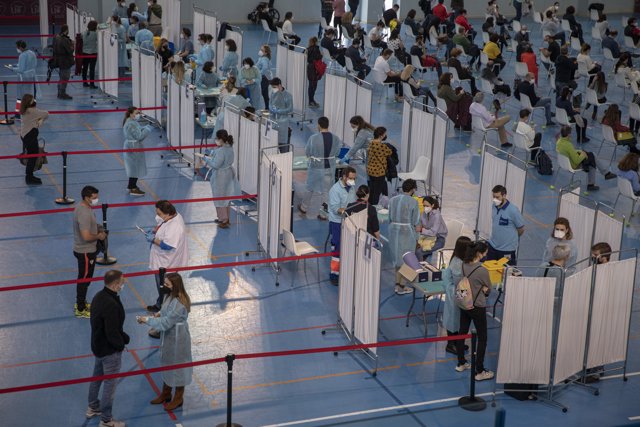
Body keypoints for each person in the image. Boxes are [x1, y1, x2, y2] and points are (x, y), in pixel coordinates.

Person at [137, 272, 192, 410]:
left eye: (167, 284)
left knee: (178, 366)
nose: (164, 287)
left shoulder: (179, 302)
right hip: (169, 336)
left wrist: (147, 320)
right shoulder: (169, 295)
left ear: (175, 286)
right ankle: (166, 393)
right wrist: (158, 313)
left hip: (178, 337)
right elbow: (165, 310)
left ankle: (178, 397)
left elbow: (166, 323)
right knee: (167, 362)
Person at [85, 270, 128, 427]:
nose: (124, 284)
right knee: (110, 385)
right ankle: (106, 420)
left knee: (96, 378)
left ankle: (92, 407)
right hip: (109, 351)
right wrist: (121, 344)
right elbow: (112, 332)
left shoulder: (98, 296)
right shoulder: (111, 304)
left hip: (98, 346)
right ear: (116, 284)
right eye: (122, 282)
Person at [144, 200, 189, 328]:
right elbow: (162, 225)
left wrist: (153, 240)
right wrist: (154, 231)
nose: (157, 215)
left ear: (167, 213)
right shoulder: (172, 216)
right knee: (161, 287)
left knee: (165, 288)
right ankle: (160, 304)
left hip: (167, 263)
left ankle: (164, 315)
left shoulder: (175, 226)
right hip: (161, 261)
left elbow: (168, 245)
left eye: (159, 213)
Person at [454, 241, 494, 381]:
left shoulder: (464, 264)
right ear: (479, 253)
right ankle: (479, 370)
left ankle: (461, 362)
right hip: (477, 306)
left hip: (465, 304)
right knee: (482, 337)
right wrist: (484, 289)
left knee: (462, 332)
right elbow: (488, 288)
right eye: (485, 252)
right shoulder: (482, 270)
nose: (486, 254)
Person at [298, 116, 342, 220]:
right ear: (328, 125)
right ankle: (323, 214)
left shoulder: (313, 138)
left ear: (318, 125)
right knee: (327, 191)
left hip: (315, 169)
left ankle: (304, 208)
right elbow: (337, 153)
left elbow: (308, 152)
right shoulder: (336, 138)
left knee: (310, 188)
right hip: (330, 168)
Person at [73, 186, 106, 318]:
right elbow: (86, 236)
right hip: (85, 252)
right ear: (86, 198)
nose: (96, 200)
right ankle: (80, 309)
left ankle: (81, 303)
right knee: (84, 280)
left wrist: (98, 227)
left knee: (84, 279)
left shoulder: (83, 207)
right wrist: (99, 236)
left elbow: (89, 226)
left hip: (85, 250)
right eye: (94, 198)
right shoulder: (84, 213)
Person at [555, 125, 616, 191]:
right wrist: (583, 154)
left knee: (592, 156)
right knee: (592, 159)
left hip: (564, 163)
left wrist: (580, 151)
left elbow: (570, 152)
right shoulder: (568, 145)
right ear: (568, 135)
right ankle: (597, 180)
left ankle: (604, 175)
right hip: (573, 165)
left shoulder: (559, 142)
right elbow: (576, 161)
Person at [201, 130, 240, 228]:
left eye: (217, 139)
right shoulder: (229, 147)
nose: (216, 140)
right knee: (226, 198)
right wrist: (212, 152)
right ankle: (222, 218)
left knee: (220, 198)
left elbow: (216, 165)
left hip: (221, 176)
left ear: (221, 139)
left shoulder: (222, 150)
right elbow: (219, 154)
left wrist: (205, 159)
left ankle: (224, 220)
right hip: (228, 174)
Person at [389, 179, 420, 295]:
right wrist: (417, 238)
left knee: (397, 260)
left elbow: (389, 218)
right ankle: (402, 286)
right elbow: (416, 222)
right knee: (406, 260)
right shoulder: (413, 202)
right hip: (406, 233)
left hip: (393, 231)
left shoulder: (392, 200)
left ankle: (397, 285)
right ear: (413, 189)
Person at [327, 166, 357, 283]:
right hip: (337, 222)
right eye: (350, 178)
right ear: (344, 177)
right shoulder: (335, 190)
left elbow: (353, 202)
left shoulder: (352, 187)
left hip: (349, 221)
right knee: (337, 249)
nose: (352, 181)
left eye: (354, 179)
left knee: (347, 247)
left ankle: (345, 270)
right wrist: (346, 211)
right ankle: (334, 274)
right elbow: (335, 208)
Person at [443, 236, 472, 354]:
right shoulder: (458, 264)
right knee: (453, 319)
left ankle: (458, 343)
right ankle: (451, 345)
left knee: (459, 320)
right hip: (455, 293)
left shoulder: (458, 259)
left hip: (458, 292)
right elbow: (460, 281)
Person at [487, 185, 524, 264]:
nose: (495, 200)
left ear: (504, 195)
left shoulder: (513, 210)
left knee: (507, 273)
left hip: (507, 250)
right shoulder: (494, 206)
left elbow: (521, 228)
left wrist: (510, 239)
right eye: (493, 197)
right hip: (493, 246)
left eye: (497, 197)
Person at [122, 107, 152, 196]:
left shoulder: (131, 121)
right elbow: (139, 137)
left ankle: (131, 185)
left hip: (131, 146)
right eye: (137, 113)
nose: (138, 114)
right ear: (131, 114)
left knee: (133, 168)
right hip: (133, 147)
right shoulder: (131, 124)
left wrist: (144, 127)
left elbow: (136, 130)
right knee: (135, 168)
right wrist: (147, 129)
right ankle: (133, 188)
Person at [19, 94, 48, 185]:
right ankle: (29, 177)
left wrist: (38, 122)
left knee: (31, 155)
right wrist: (40, 121)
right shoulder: (32, 111)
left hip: (25, 135)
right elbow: (46, 114)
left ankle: (29, 175)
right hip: (30, 137)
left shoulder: (24, 110)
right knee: (32, 157)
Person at [415, 196, 448, 262]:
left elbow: (433, 232)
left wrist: (421, 230)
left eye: (427, 206)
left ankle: (422, 271)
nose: (425, 208)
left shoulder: (437, 215)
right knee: (413, 248)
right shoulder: (423, 214)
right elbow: (419, 225)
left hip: (439, 240)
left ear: (432, 205)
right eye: (424, 206)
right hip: (427, 238)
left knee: (419, 252)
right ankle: (422, 266)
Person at [366, 127, 393, 205]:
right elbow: (389, 152)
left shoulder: (370, 143)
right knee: (376, 193)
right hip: (379, 172)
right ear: (381, 136)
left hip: (371, 171)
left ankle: (369, 206)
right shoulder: (381, 146)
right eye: (385, 134)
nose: (385, 135)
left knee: (372, 190)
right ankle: (373, 208)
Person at [269, 77, 294, 150]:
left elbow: (290, 109)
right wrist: (272, 109)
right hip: (273, 119)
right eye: (272, 87)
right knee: (272, 143)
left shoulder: (288, 95)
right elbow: (270, 103)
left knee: (282, 144)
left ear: (280, 85)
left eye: (274, 87)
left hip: (283, 122)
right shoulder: (273, 93)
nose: (273, 89)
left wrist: (279, 111)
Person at [52, 25, 74, 100]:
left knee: (61, 77)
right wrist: (73, 45)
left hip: (59, 60)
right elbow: (70, 51)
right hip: (65, 61)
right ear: (66, 30)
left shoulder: (56, 37)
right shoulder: (64, 40)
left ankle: (60, 92)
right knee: (65, 77)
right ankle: (62, 93)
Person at [306, 37, 323, 108]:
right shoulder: (316, 49)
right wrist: (321, 55)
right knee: (313, 85)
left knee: (311, 85)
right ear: (315, 42)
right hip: (314, 69)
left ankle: (311, 100)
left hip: (309, 68)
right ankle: (311, 101)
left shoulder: (308, 49)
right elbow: (318, 57)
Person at [81, 22, 98, 88]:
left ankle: (84, 82)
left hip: (85, 53)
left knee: (85, 68)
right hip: (93, 53)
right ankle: (92, 84)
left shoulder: (84, 33)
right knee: (92, 69)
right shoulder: (95, 34)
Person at [256, 45, 273, 110]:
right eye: (260, 49)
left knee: (263, 93)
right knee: (265, 93)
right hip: (266, 78)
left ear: (266, 53)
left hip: (264, 78)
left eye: (262, 50)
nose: (260, 51)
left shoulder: (264, 59)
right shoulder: (263, 58)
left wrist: (258, 73)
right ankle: (266, 107)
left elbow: (265, 68)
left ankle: (265, 108)